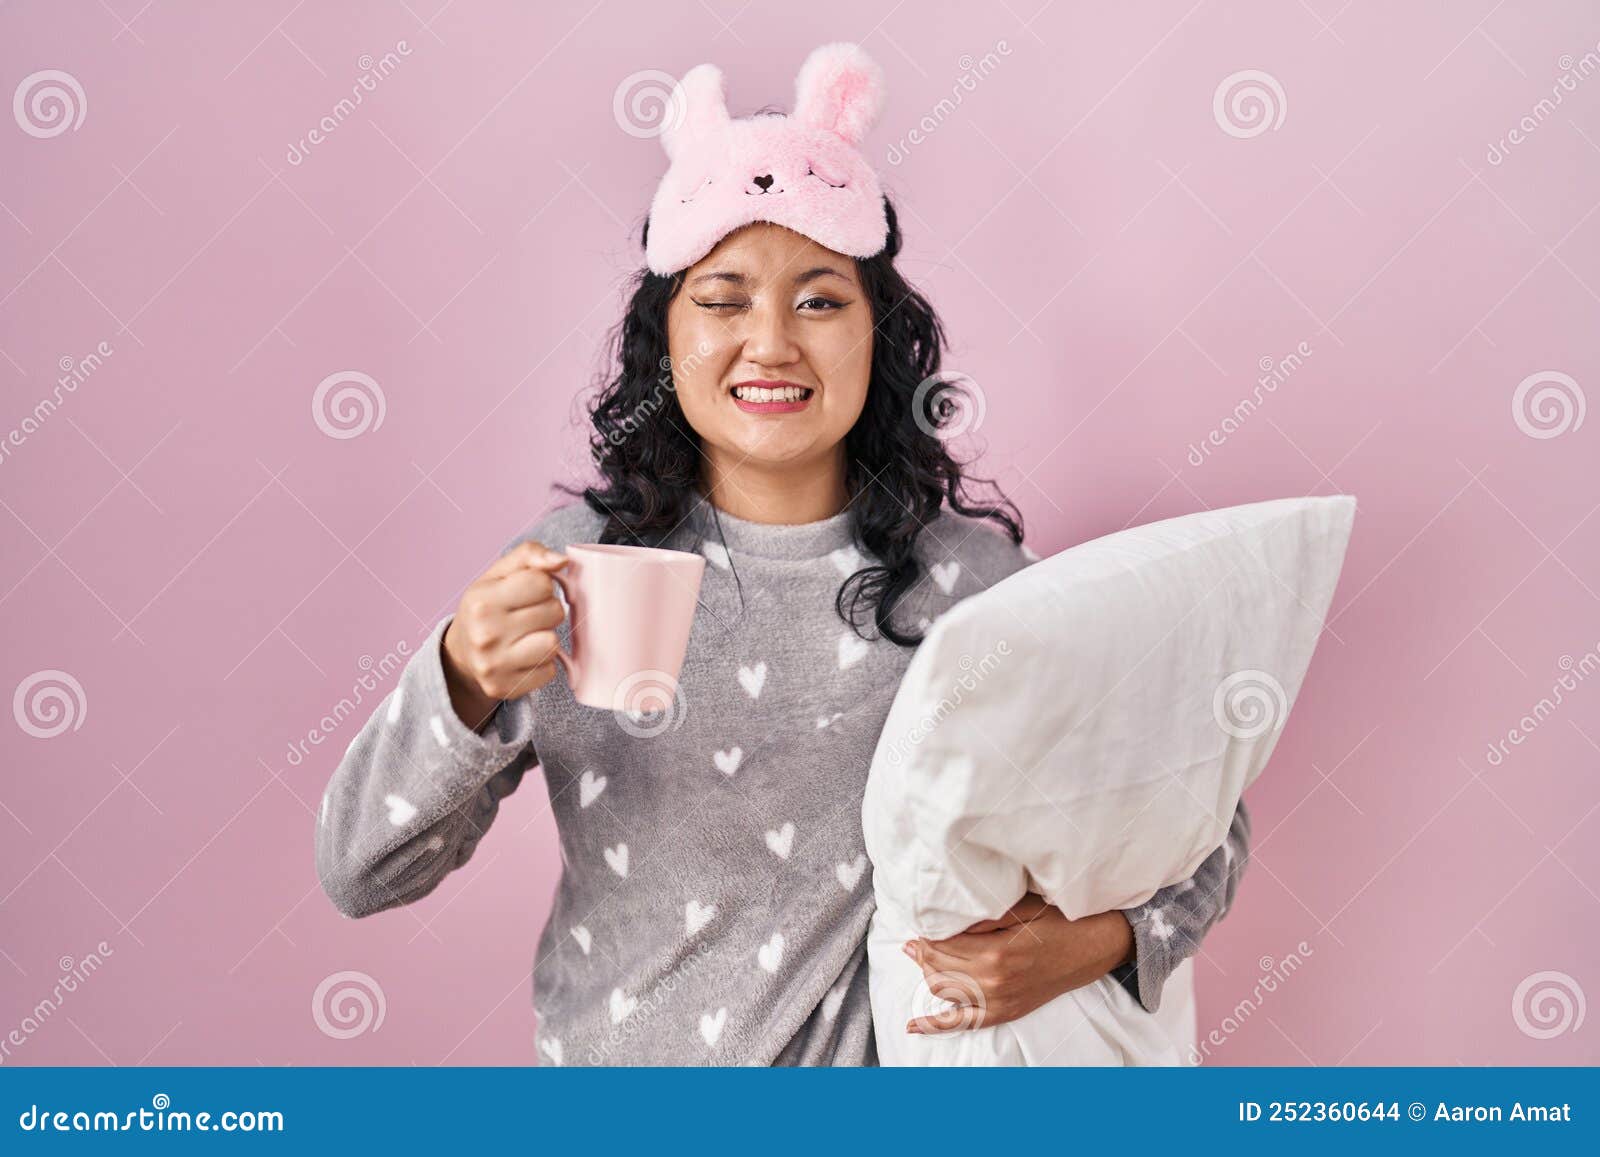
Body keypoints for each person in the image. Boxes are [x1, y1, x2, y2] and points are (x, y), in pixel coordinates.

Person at [314, 42, 1250, 1066]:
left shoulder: (970, 587)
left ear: (878, 336)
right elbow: (363, 869)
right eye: (720, 300)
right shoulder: (572, 567)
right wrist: (460, 675)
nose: (769, 341)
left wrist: (1091, 944)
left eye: (818, 299)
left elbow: (1200, 817)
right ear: (662, 339)